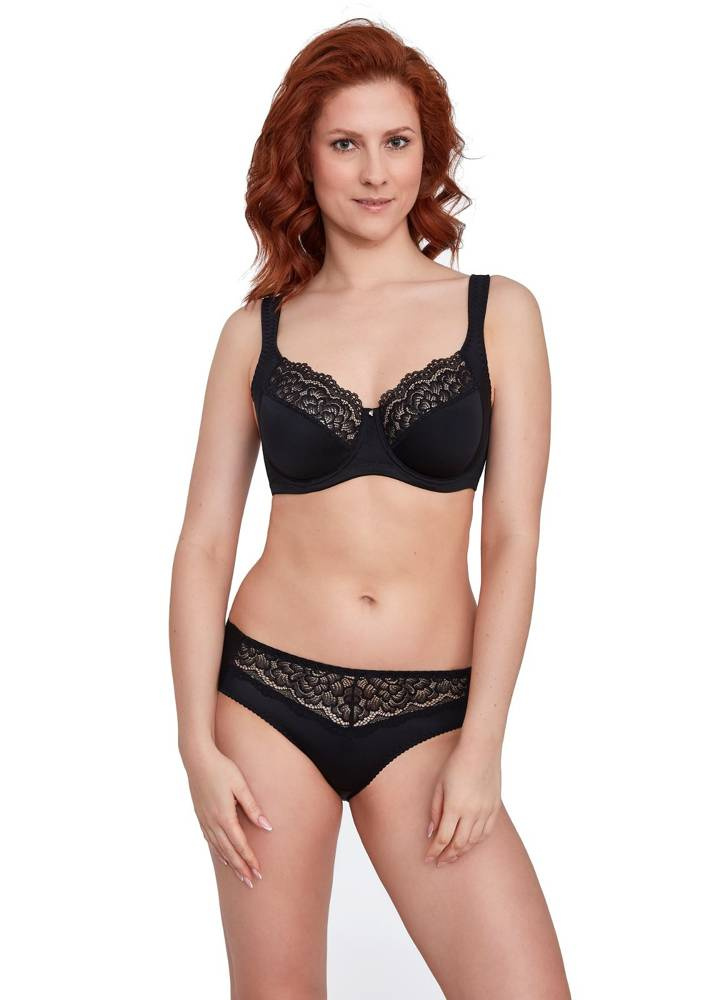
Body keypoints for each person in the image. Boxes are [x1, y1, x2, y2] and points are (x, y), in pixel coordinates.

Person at [169, 17, 571, 1000]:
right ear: (304, 157)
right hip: (265, 698)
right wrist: (195, 743)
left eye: (397, 141)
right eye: (345, 143)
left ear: (428, 153)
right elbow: (205, 544)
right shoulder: (255, 332)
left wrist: (483, 745)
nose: (375, 170)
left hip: (431, 711)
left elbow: (513, 541)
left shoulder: (498, 313)